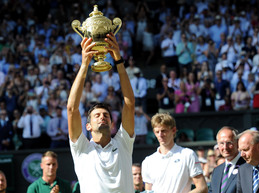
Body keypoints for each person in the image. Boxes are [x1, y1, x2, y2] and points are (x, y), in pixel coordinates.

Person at [67, 33, 135, 193]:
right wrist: (84, 65)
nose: (102, 117)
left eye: (106, 115)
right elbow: (71, 109)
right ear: (88, 126)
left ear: (112, 123)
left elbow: (129, 104)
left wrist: (118, 60)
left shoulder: (124, 142)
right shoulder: (81, 147)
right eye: (96, 115)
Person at [141, 113, 207, 193]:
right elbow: (148, 191)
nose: (160, 135)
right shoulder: (148, 161)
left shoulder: (188, 154)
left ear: (173, 130)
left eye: (163, 131)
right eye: (157, 132)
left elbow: (202, 188)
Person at [208, 126, 245, 193]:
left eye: (229, 143)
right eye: (221, 143)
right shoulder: (217, 171)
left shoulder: (247, 167)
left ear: (237, 143)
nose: (225, 147)